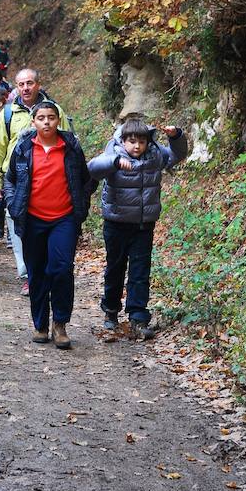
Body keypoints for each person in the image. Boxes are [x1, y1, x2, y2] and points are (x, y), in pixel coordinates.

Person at [88, 119, 187, 338]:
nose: (136, 146)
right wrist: (114, 162)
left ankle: (138, 317)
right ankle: (111, 312)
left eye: (141, 142)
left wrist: (176, 136)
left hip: (143, 225)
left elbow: (176, 156)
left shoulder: (154, 155)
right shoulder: (113, 152)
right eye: (131, 142)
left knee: (140, 272)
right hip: (116, 224)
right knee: (115, 268)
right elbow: (93, 168)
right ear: (122, 141)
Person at [5, 101, 92, 349]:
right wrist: (13, 204)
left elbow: (86, 180)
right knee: (37, 273)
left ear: (58, 120)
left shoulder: (71, 147)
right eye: (41, 117)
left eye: (51, 117)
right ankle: (41, 325)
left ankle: (60, 324)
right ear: (33, 122)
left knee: (61, 268)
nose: (46, 122)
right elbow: (10, 179)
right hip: (32, 219)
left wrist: (81, 208)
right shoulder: (23, 148)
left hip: (64, 218)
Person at [0, 68, 71, 296]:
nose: (25, 88)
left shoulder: (54, 111)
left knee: (44, 229)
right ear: (16, 87)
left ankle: (45, 270)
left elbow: (67, 142)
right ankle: (28, 275)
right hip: (15, 179)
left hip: (48, 178)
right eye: (21, 84)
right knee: (18, 228)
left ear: (38, 84)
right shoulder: (8, 114)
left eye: (30, 83)